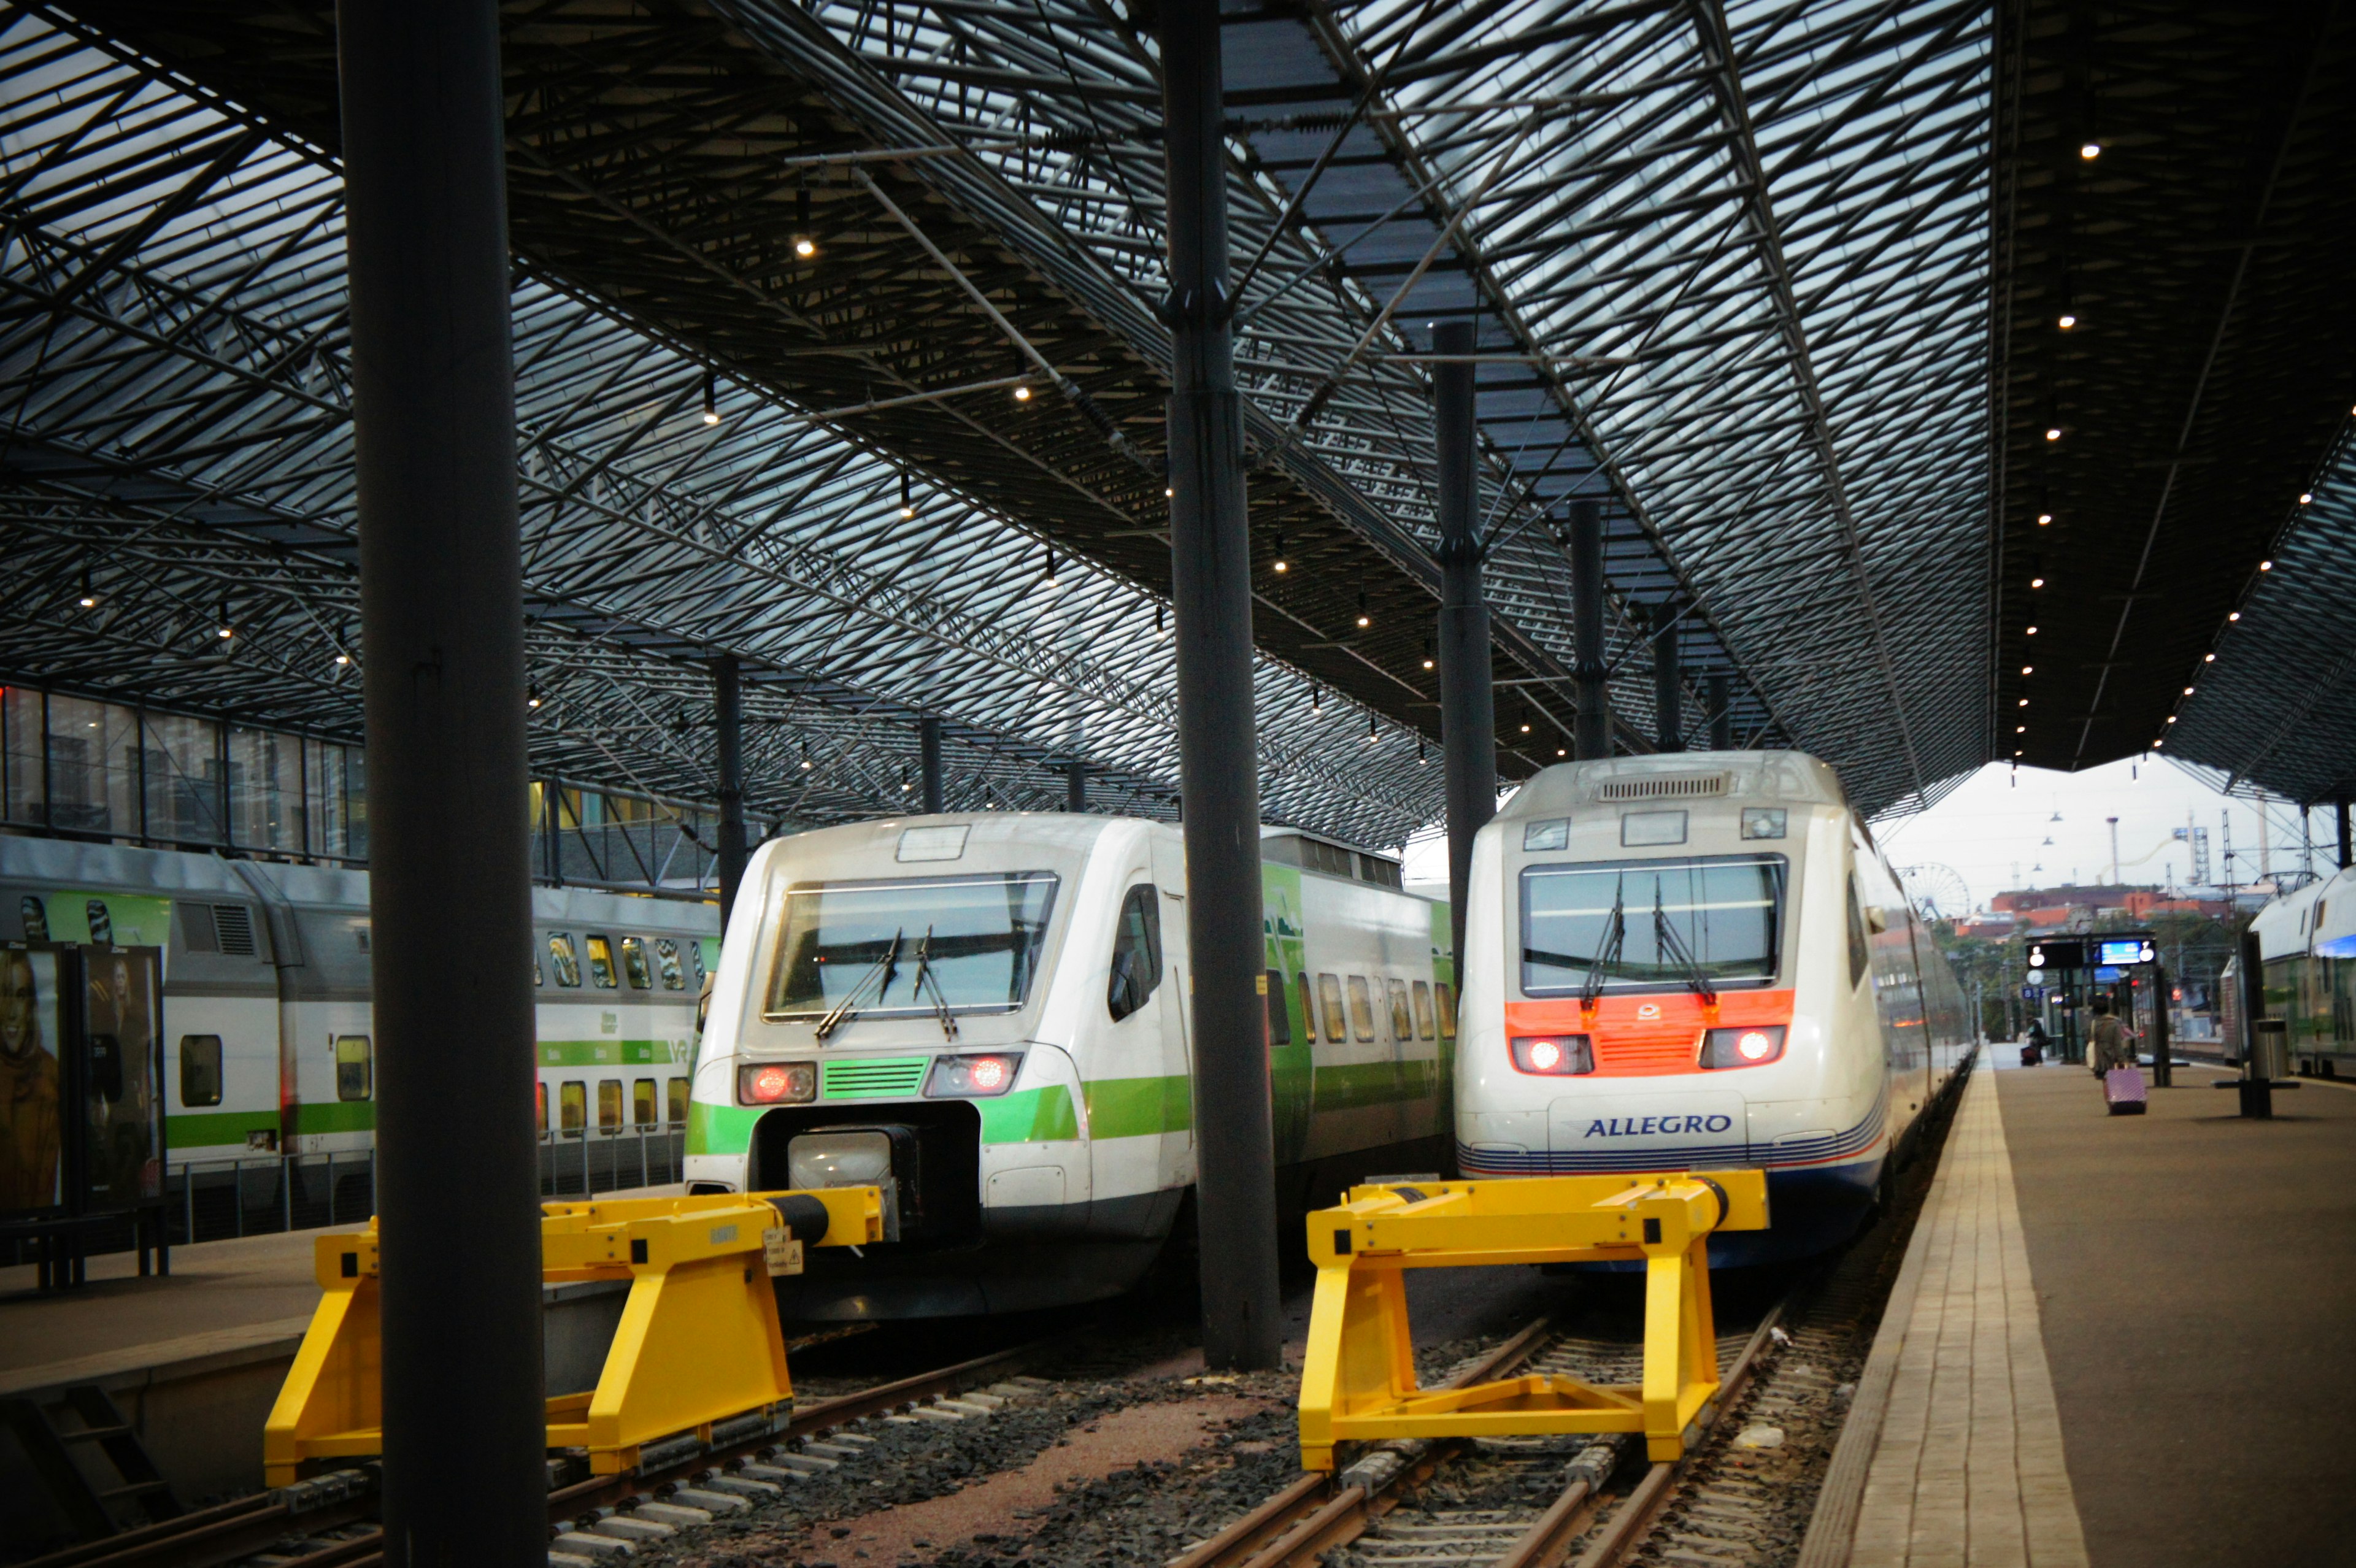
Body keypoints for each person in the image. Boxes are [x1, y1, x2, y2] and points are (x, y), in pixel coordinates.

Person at [0, 950, 62, 1212]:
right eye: (4, 993)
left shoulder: (49, 1076)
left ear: (31, 1006)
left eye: (21, 995)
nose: (12, 1012)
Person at [2088, 996, 2138, 1077]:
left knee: (2102, 1078)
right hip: (2111, 1057)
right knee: (2113, 1081)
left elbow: (2088, 1039)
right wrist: (2122, 1060)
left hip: (2098, 1059)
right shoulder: (2114, 1024)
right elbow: (2117, 1044)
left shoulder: (2093, 1024)